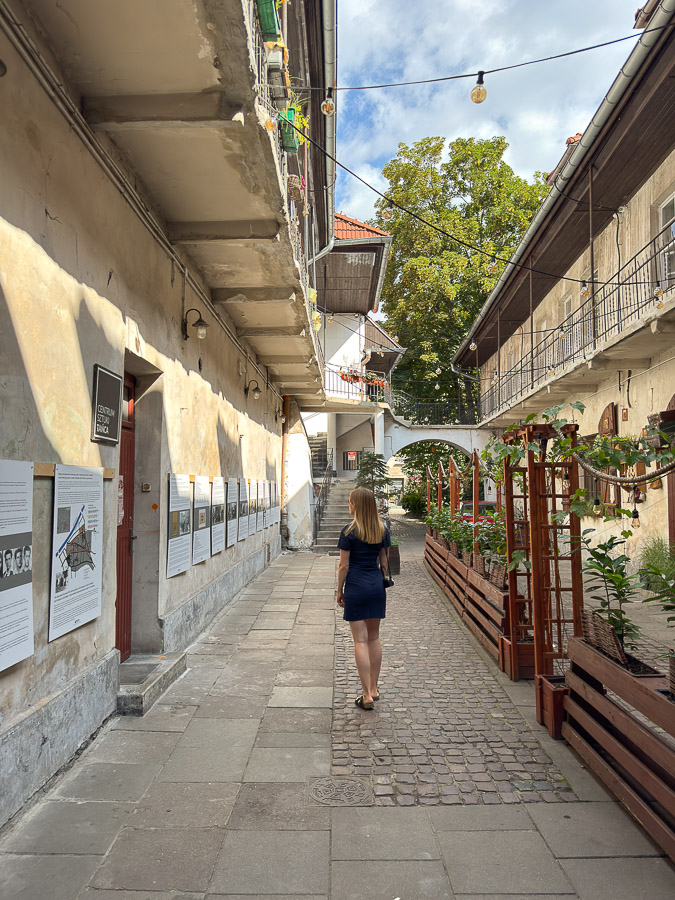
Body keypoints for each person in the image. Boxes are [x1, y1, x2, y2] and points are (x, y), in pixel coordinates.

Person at [336, 487, 391, 710]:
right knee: (374, 638)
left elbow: (343, 566)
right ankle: (375, 688)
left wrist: (339, 591)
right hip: (376, 587)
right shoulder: (382, 530)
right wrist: (378, 579)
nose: (348, 505)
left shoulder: (348, 532)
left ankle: (366, 694)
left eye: (350, 502)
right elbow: (385, 564)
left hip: (356, 588)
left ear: (356, 505)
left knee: (360, 640)